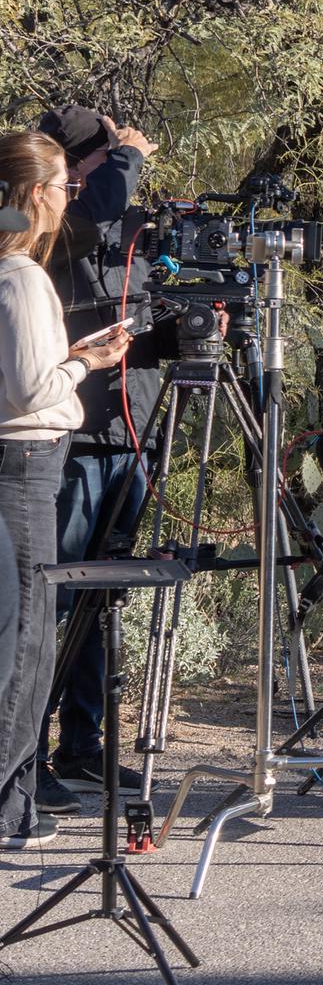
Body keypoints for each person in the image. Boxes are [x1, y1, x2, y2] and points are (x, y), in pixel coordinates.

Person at [1, 133, 132, 851]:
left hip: (20, 462)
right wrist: (84, 364)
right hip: (25, 463)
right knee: (26, 640)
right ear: (36, 193)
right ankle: (7, 804)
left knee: (16, 633)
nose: (67, 201)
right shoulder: (20, 277)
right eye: (65, 189)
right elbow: (30, 389)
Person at [34, 105, 159, 807]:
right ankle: (26, 755)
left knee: (103, 601)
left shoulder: (128, 223)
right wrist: (126, 157)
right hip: (72, 439)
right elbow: (94, 208)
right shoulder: (40, 228)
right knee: (55, 597)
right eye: (103, 157)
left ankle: (83, 746)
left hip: (131, 435)